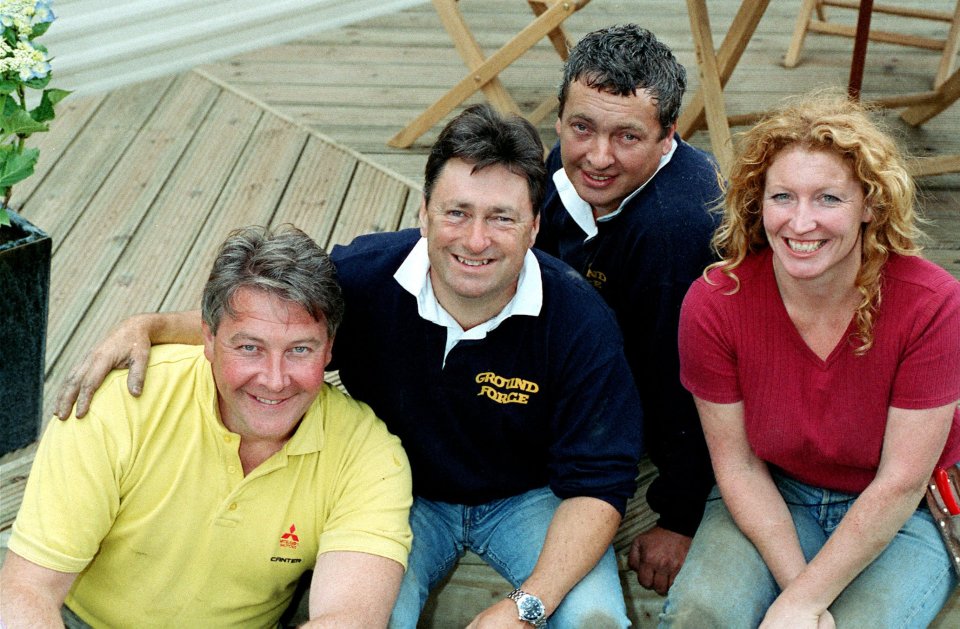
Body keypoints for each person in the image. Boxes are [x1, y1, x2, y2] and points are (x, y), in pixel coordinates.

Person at [51, 104, 644, 628]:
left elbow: (598, 488)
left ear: (535, 226)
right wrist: (148, 327)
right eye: (457, 212)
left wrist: (526, 608)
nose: (476, 239)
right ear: (424, 213)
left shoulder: (579, 322)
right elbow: (271, 322)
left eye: (502, 217)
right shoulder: (365, 277)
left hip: (530, 500)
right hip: (401, 489)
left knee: (595, 618)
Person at [0, 226, 413, 628]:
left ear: (330, 349)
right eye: (250, 348)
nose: (274, 378)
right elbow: (25, 591)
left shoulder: (368, 454)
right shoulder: (121, 403)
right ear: (208, 339)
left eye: (299, 350)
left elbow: (351, 617)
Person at [661, 93, 960, 627]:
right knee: (697, 617)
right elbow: (737, 465)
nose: (801, 224)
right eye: (782, 197)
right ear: (758, 203)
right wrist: (799, 593)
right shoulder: (715, 304)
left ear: (870, 204)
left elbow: (900, 481)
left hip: (906, 513)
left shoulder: (931, 305)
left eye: (828, 199)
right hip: (775, 490)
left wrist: (800, 604)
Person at [534, 23, 723, 595]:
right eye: (581, 127)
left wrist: (680, 516)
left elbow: (687, 379)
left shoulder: (676, 227)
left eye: (627, 137)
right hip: (599, 357)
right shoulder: (565, 170)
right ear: (562, 117)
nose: (597, 157)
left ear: (669, 136)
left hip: (671, 396)